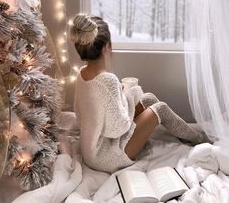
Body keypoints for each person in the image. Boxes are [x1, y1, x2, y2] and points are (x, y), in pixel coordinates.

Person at [70, 13, 210, 174]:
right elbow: (118, 128)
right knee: (161, 109)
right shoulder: (107, 80)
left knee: (148, 99)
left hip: (92, 151)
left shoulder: (81, 75)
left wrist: (121, 98)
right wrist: (131, 93)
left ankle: (188, 135)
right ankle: (201, 139)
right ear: (107, 46)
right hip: (106, 157)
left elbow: (81, 117)